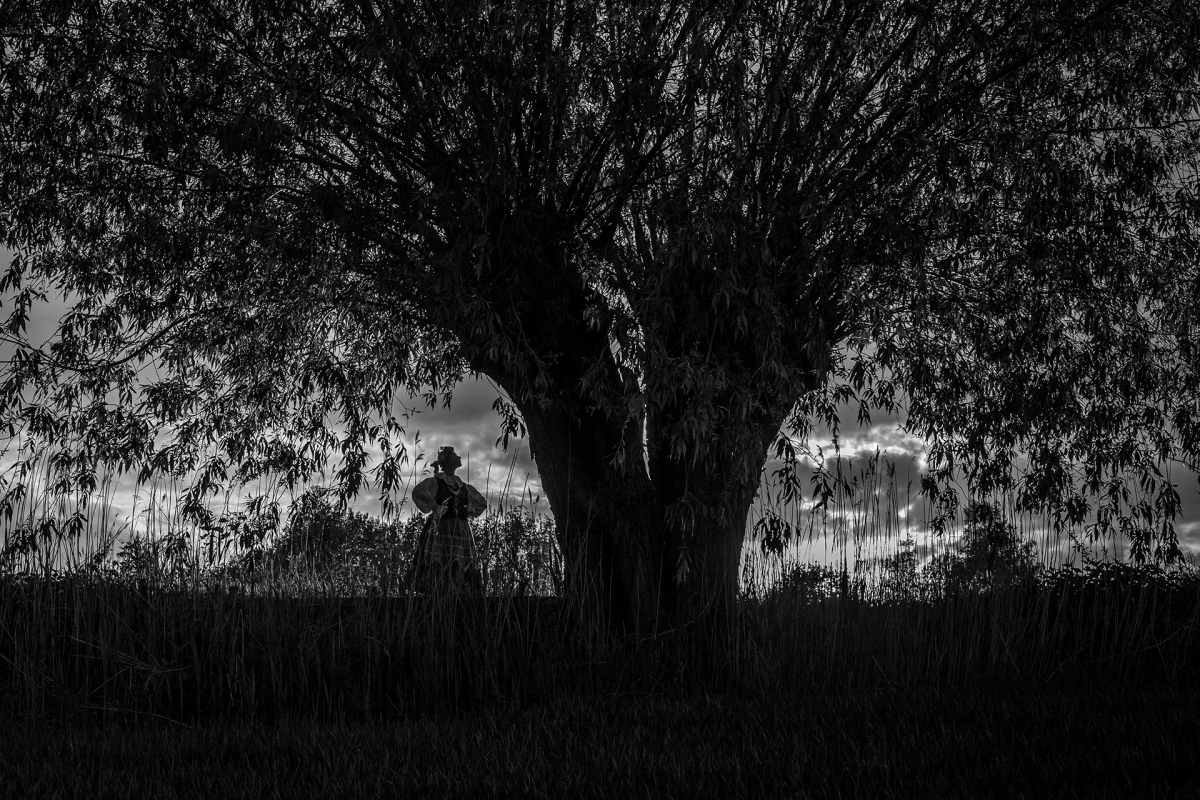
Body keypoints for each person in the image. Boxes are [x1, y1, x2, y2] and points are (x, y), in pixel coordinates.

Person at [407, 446, 487, 594]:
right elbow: (418, 492)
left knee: (462, 562)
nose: (459, 458)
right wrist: (435, 506)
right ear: (448, 460)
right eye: (456, 456)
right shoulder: (436, 482)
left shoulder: (463, 486)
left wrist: (470, 510)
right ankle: (439, 592)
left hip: (461, 530)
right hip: (442, 528)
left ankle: (462, 593)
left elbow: (481, 502)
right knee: (440, 559)